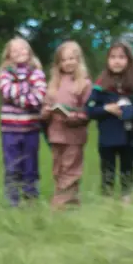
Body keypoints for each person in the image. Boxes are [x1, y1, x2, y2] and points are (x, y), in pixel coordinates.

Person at [87, 41, 133, 202]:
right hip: (107, 138)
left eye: (121, 57)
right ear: (107, 60)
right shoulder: (100, 85)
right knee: (107, 170)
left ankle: (126, 198)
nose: (117, 61)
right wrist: (106, 109)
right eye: (113, 57)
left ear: (129, 60)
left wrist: (132, 110)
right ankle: (108, 200)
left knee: (127, 168)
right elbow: (89, 110)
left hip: (129, 137)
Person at [41, 41, 92, 208]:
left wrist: (72, 116)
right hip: (55, 135)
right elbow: (45, 109)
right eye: (64, 60)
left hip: (74, 136)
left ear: (78, 60)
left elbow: (87, 112)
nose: (68, 62)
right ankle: (71, 204)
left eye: (72, 58)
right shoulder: (54, 84)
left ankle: (57, 205)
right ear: (58, 63)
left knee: (71, 170)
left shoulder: (84, 84)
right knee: (58, 171)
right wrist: (47, 112)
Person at [0, 37, 47, 205]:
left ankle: (31, 200)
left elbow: (39, 97)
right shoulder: (4, 73)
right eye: (14, 50)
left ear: (29, 51)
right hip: (9, 130)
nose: (19, 52)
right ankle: (12, 202)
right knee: (12, 167)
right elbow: (7, 91)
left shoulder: (37, 72)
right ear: (8, 55)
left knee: (30, 166)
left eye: (23, 48)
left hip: (31, 129)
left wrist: (19, 95)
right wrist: (27, 90)